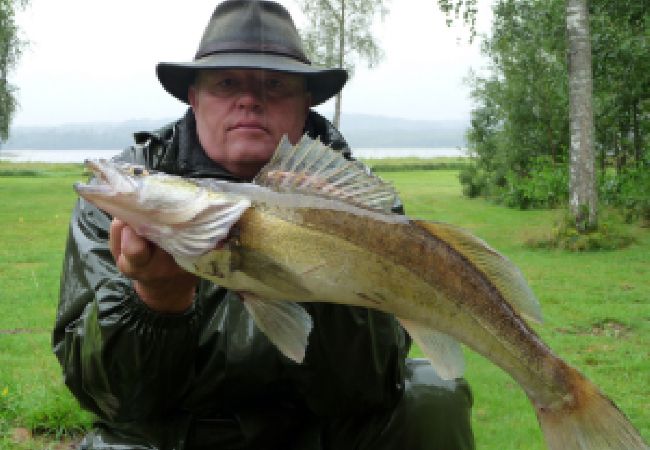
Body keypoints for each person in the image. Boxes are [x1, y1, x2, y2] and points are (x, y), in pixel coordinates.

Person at [53, 1, 475, 449]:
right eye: (227, 83)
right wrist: (157, 300)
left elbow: (365, 389)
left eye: (275, 85)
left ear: (306, 102)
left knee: (434, 395)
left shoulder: (355, 200)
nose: (250, 99)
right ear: (193, 97)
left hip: (316, 424)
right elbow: (109, 397)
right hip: (174, 428)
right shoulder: (129, 202)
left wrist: (325, 276)